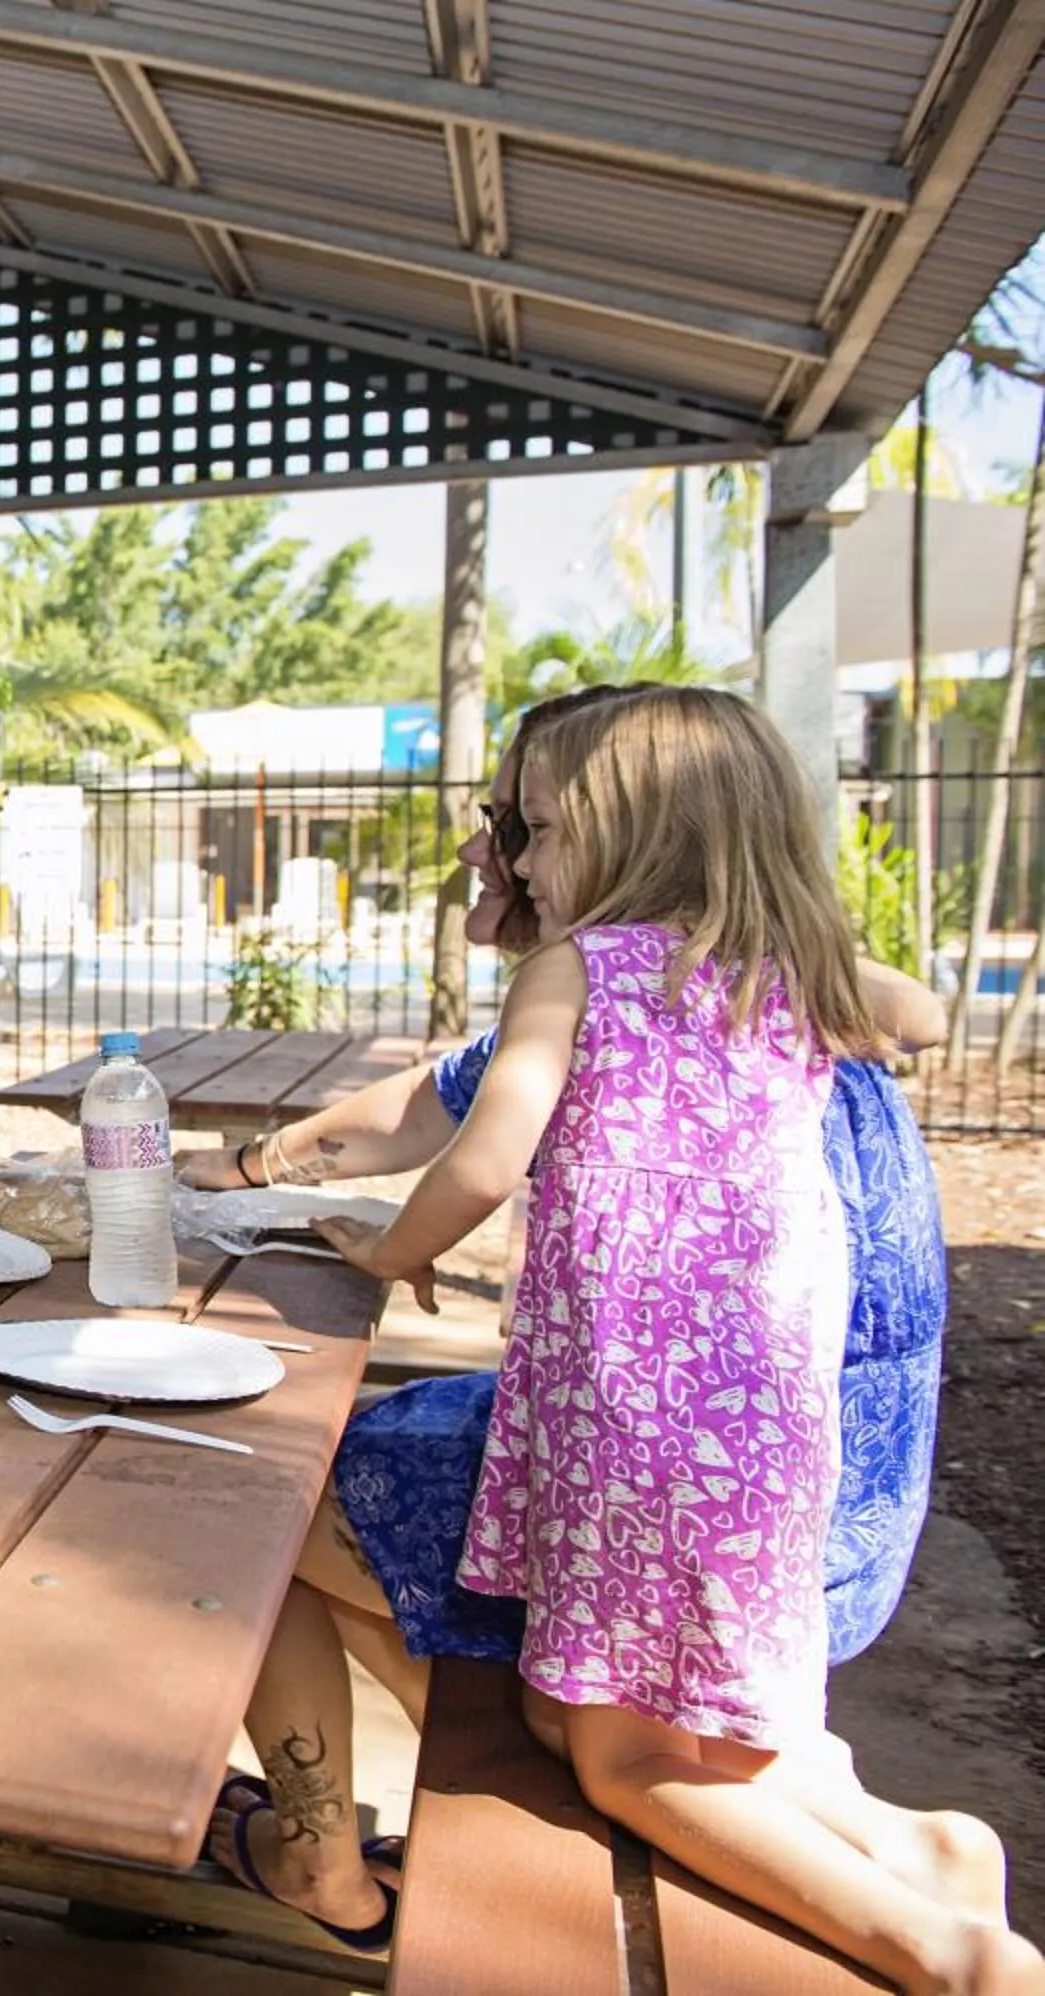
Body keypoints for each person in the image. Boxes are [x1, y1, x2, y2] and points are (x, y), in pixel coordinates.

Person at [185, 689, 966, 1958]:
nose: (502, 853)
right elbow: (921, 1011)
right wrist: (765, 927)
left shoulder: (581, 973)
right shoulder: (774, 978)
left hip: (630, 1441)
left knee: (614, 1754)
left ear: (629, 836)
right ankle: (920, 1846)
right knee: (582, 1719)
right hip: (769, 1441)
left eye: (526, 826)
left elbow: (481, 1155)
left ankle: (939, 1952)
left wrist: (390, 1249)